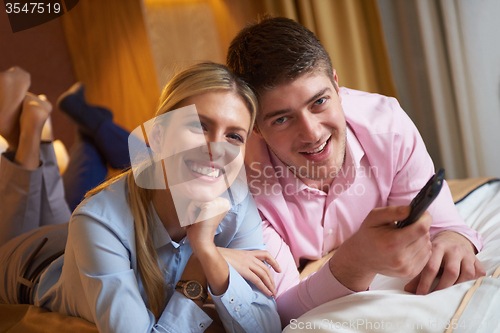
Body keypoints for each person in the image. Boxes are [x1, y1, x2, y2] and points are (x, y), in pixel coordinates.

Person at [226, 16, 486, 326]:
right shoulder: (240, 187)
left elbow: (444, 225)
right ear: (255, 127)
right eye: (282, 119)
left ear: (336, 85)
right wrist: (353, 263)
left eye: (319, 101)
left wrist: (454, 241)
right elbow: (277, 311)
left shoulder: (387, 126)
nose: (311, 133)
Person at [0, 63, 281, 333]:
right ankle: (29, 145)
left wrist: (210, 255)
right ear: (157, 136)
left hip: (83, 243)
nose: (216, 149)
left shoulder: (236, 200)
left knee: (67, 208)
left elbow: (267, 327)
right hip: (30, 264)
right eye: (199, 126)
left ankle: (45, 138)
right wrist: (200, 262)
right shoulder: (98, 220)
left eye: (234, 136)